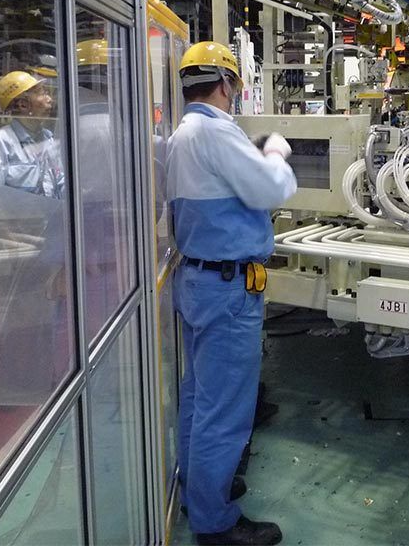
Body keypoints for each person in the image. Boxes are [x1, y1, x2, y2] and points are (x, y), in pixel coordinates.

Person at [166, 41, 296, 546]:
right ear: (226, 84)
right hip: (228, 289)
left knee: (199, 400)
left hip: (198, 282)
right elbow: (272, 190)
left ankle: (200, 490)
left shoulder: (181, 134)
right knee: (225, 411)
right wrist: (276, 150)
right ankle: (215, 522)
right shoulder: (216, 131)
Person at [0, 70, 64, 197]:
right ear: (23, 105)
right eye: (43, 93)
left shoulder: (49, 140)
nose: (49, 100)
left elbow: (61, 182)